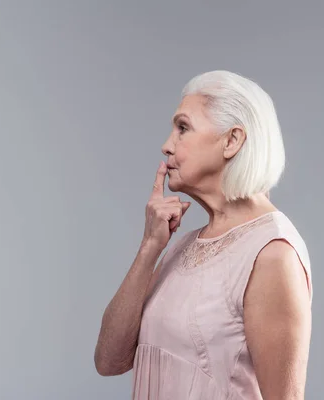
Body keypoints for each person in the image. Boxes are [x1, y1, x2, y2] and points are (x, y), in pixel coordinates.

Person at [94, 70, 312, 400]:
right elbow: (108, 360)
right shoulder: (182, 246)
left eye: (183, 128)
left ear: (232, 140)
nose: (167, 146)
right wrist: (150, 247)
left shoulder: (272, 254)